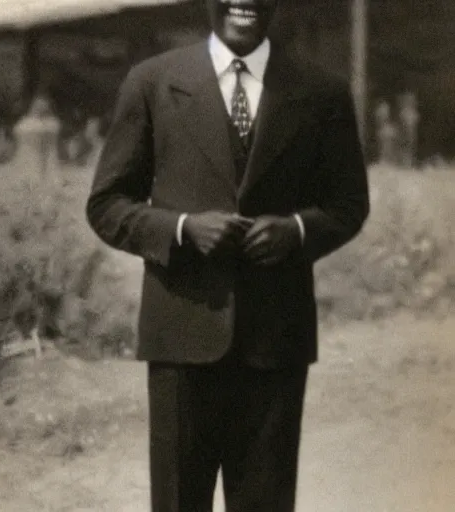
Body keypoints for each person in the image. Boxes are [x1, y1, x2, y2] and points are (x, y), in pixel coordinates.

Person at [86, 0, 370, 510]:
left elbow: (349, 204)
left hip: (275, 343)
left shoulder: (322, 90)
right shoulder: (153, 81)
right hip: (181, 337)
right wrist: (181, 228)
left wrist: (298, 230)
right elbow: (107, 205)